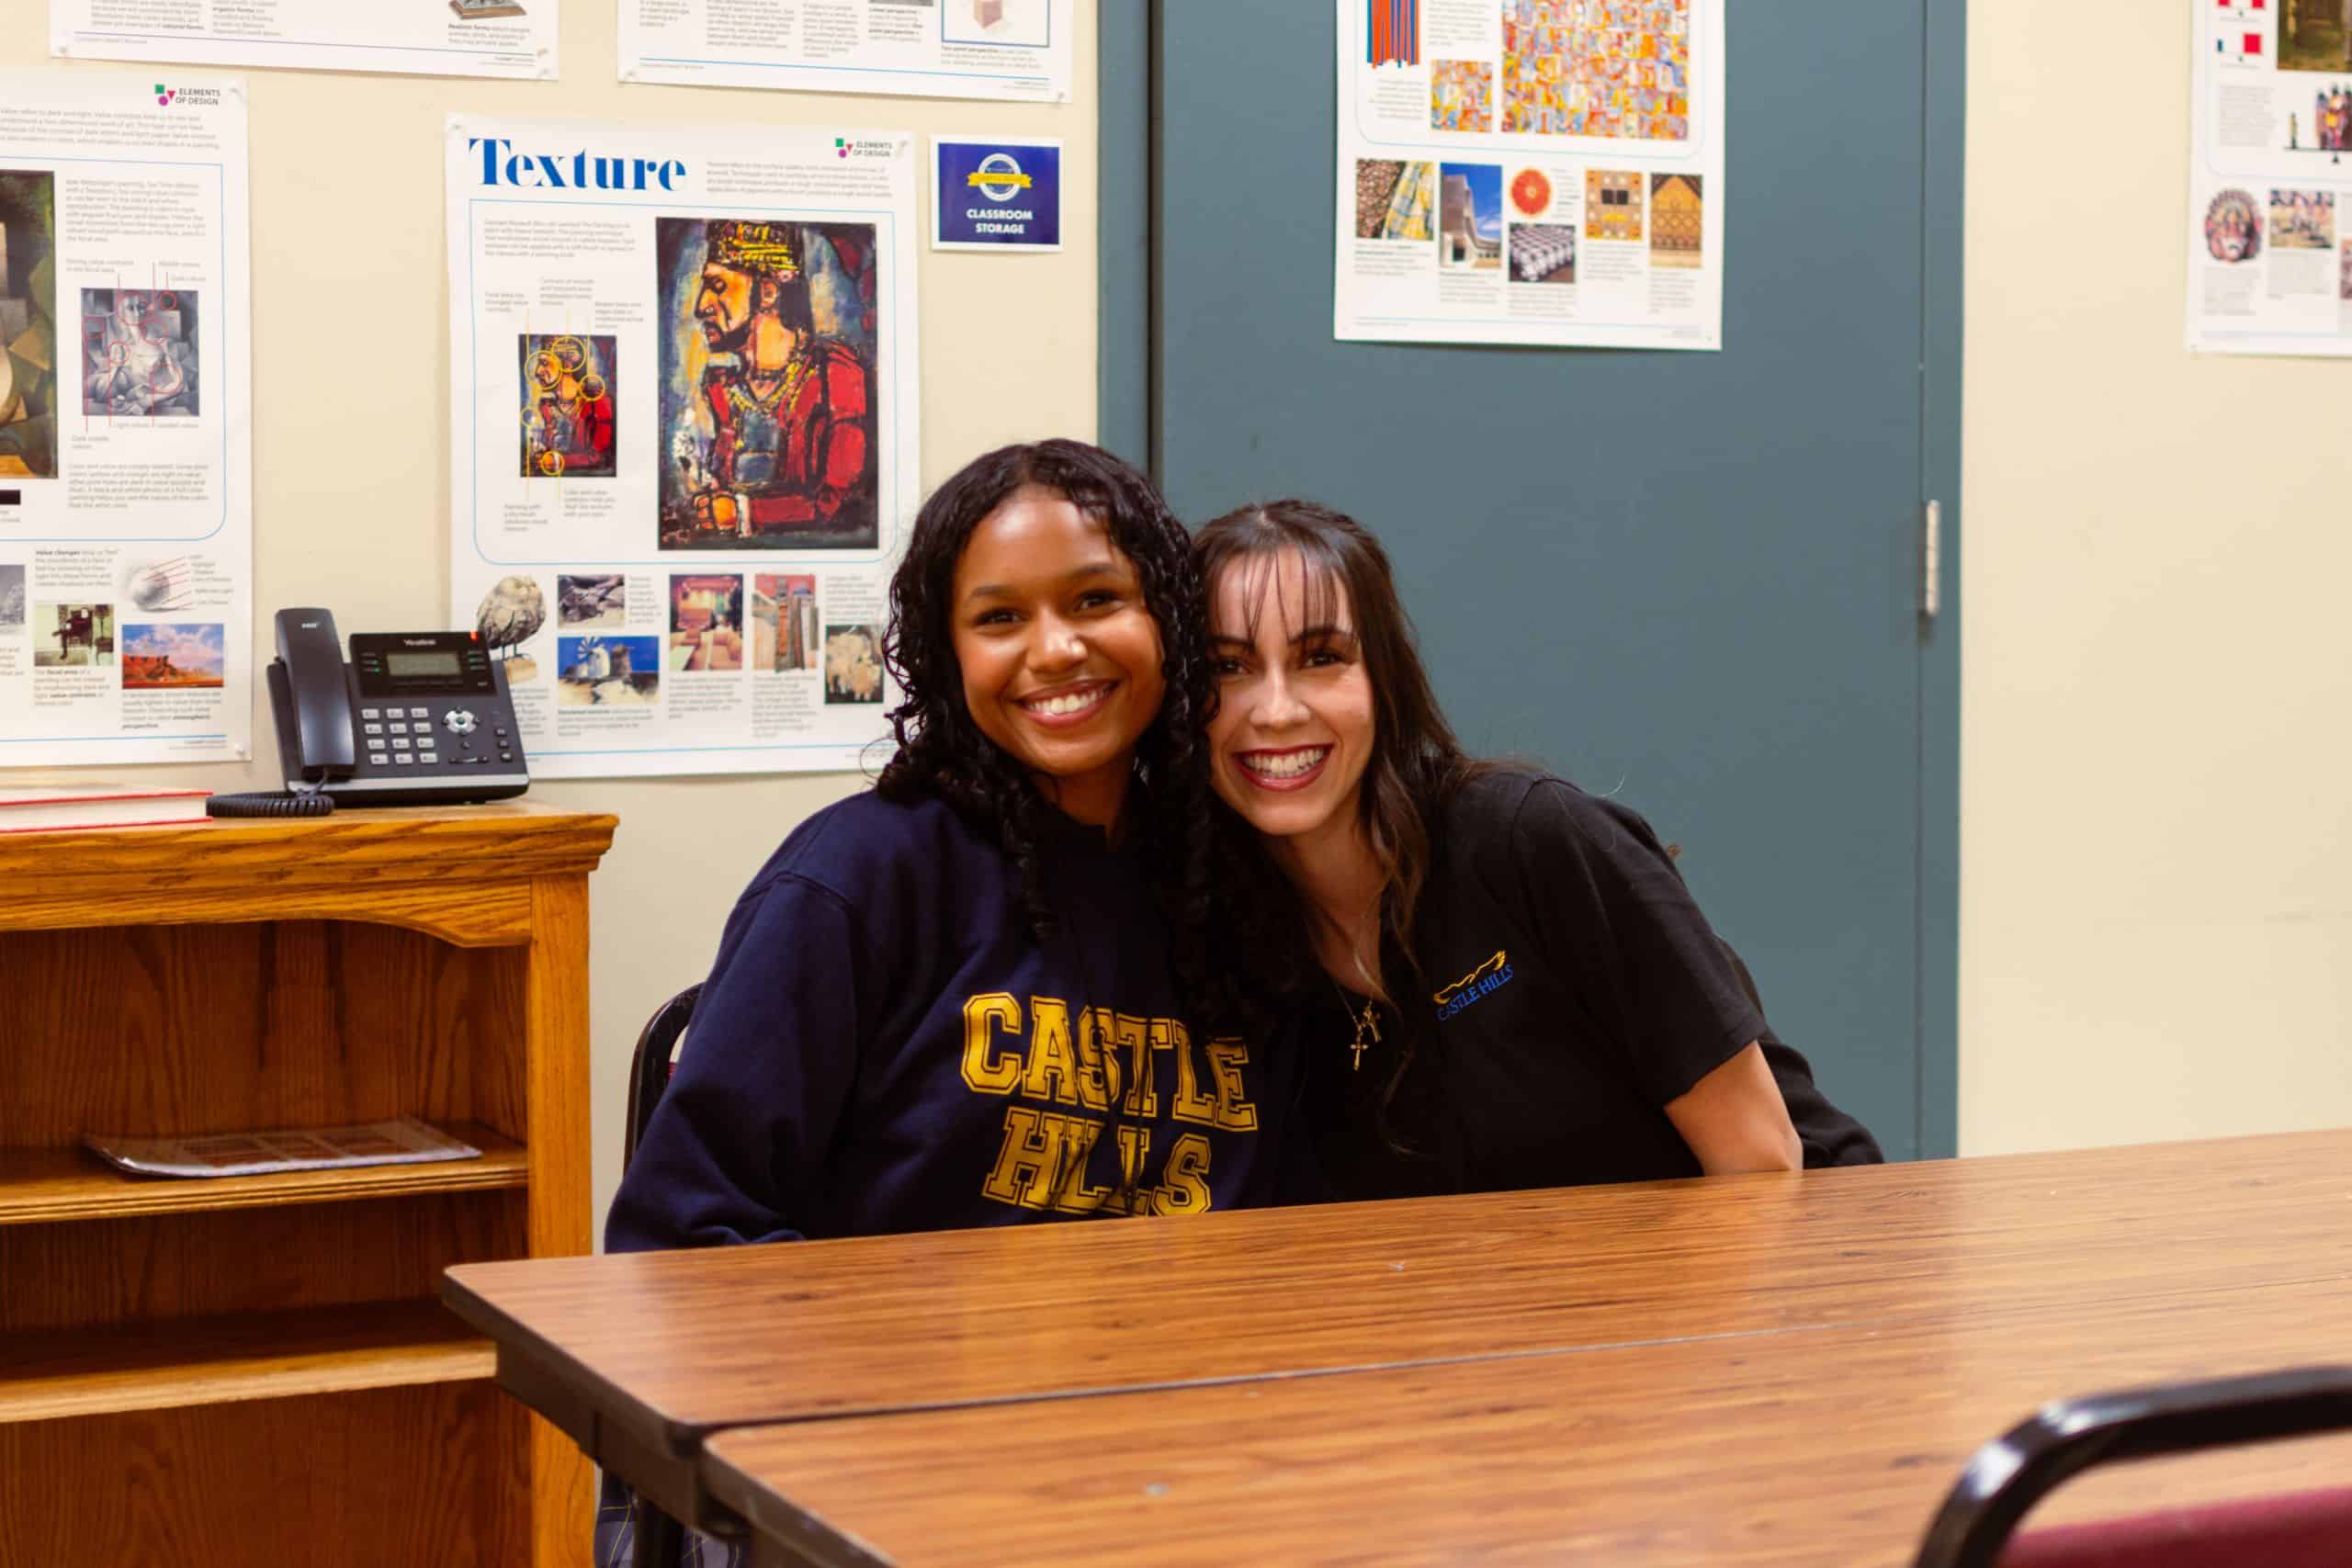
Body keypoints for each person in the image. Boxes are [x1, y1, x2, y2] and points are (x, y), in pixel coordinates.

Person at [601, 442, 1292, 1562]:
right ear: (946, 650)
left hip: (1188, 1464)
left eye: (1096, 600)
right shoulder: (856, 880)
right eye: (1000, 618)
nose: (1054, 649)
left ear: (1165, 618)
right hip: (892, 1473)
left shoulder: (1239, 885)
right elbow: (684, 1238)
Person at [1194, 498, 1878, 1203]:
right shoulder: (1236, 940)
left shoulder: (1527, 840)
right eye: (1228, 666)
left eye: (1321, 658)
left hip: (1806, 1243)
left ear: (1384, 681)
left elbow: (1763, 1165)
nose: (1275, 710)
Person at [672, 220, 874, 542]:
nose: (701, 307)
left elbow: (836, 502)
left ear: (767, 292)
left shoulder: (836, 375)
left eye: (718, 287)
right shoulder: (721, 386)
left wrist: (743, 512)